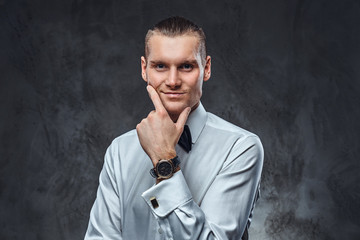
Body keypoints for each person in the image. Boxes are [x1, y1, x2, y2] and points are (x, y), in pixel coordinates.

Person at [84, 16, 263, 240]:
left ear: (206, 69)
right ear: (144, 69)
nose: (172, 81)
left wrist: (164, 160)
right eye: (160, 66)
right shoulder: (119, 150)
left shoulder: (241, 147)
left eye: (186, 66)